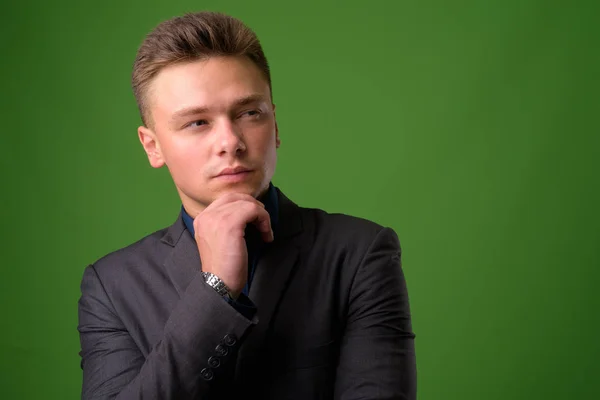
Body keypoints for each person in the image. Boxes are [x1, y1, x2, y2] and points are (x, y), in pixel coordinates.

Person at [77, 11, 416, 400]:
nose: (231, 141)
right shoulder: (112, 284)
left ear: (276, 126)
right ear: (153, 146)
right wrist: (215, 290)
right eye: (197, 123)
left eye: (249, 113)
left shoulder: (358, 253)